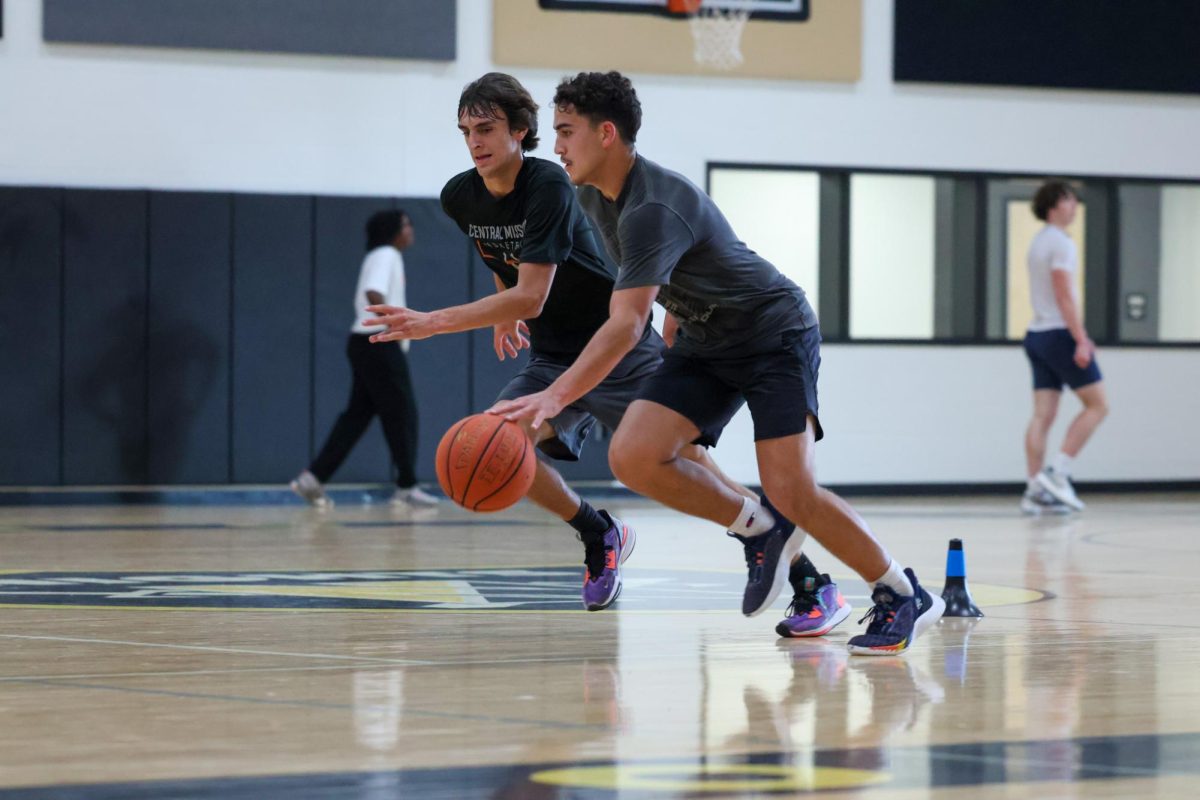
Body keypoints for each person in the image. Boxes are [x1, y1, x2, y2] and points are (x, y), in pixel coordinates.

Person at [491, 71, 940, 654]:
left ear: (606, 134)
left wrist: (555, 395)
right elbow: (646, 278)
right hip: (708, 338)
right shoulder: (590, 196)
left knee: (793, 488)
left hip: (774, 333)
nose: (555, 146)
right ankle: (759, 530)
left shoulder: (649, 206)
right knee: (634, 455)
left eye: (565, 131)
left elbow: (627, 323)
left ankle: (900, 592)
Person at [366, 73, 838, 623]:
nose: (475, 141)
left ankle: (809, 581)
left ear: (521, 131)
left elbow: (534, 295)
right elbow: (503, 257)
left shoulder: (552, 185)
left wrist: (433, 321)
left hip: (617, 346)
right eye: (466, 130)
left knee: (689, 461)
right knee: (500, 440)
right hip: (554, 355)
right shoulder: (459, 195)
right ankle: (598, 532)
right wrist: (502, 307)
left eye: (488, 128)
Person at [290, 210, 440, 509]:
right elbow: (374, 292)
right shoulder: (386, 254)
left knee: (357, 416)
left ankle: (313, 478)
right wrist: (393, 324)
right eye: (407, 224)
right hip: (378, 344)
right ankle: (407, 486)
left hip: (365, 344)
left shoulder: (380, 255)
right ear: (393, 230)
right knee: (402, 413)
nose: (411, 230)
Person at [1020, 181, 1108, 515]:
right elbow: (1063, 293)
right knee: (1099, 405)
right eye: (1071, 201)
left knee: (1043, 414)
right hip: (1059, 334)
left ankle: (1034, 489)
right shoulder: (1060, 243)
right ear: (1055, 204)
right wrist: (1081, 337)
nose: (1075, 208)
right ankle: (1058, 471)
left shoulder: (1038, 242)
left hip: (1036, 335)